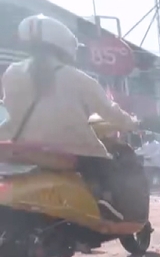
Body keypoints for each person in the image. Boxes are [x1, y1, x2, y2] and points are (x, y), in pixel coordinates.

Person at [0, 14, 137, 221]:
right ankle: (105, 204)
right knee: (109, 166)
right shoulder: (79, 79)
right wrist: (131, 123)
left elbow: (9, 106)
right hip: (67, 150)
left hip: (20, 149)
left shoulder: (12, 72)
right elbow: (109, 111)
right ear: (65, 45)